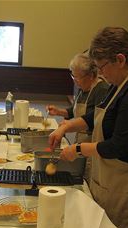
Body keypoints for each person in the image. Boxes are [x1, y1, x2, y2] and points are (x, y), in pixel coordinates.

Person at [49, 27, 128, 228]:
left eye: (102, 67)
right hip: (122, 172)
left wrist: (77, 149)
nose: (101, 73)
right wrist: (67, 126)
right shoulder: (121, 81)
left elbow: (118, 146)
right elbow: (97, 118)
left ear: (120, 59)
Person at [46, 52, 114, 183]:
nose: (75, 80)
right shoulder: (83, 88)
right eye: (73, 76)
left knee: (91, 178)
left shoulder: (102, 90)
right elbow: (75, 111)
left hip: (93, 145)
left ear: (90, 75)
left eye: (77, 77)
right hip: (81, 143)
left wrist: (68, 126)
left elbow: (96, 120)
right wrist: (59, 112)